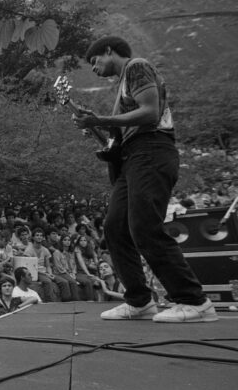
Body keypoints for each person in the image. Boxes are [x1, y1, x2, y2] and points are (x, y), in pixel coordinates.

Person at [74, 35, 216, 322]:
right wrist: (98, 127)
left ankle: (194, 301)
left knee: (145, 227)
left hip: (151, 152)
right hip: (133, 158)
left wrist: (101, 120)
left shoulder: (137, 67)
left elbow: (150, 114)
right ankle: (139, 301)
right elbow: (122, 136)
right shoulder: (123, 88)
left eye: (95, 60)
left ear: (110, 51)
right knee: (115, 227)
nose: (93, 68)